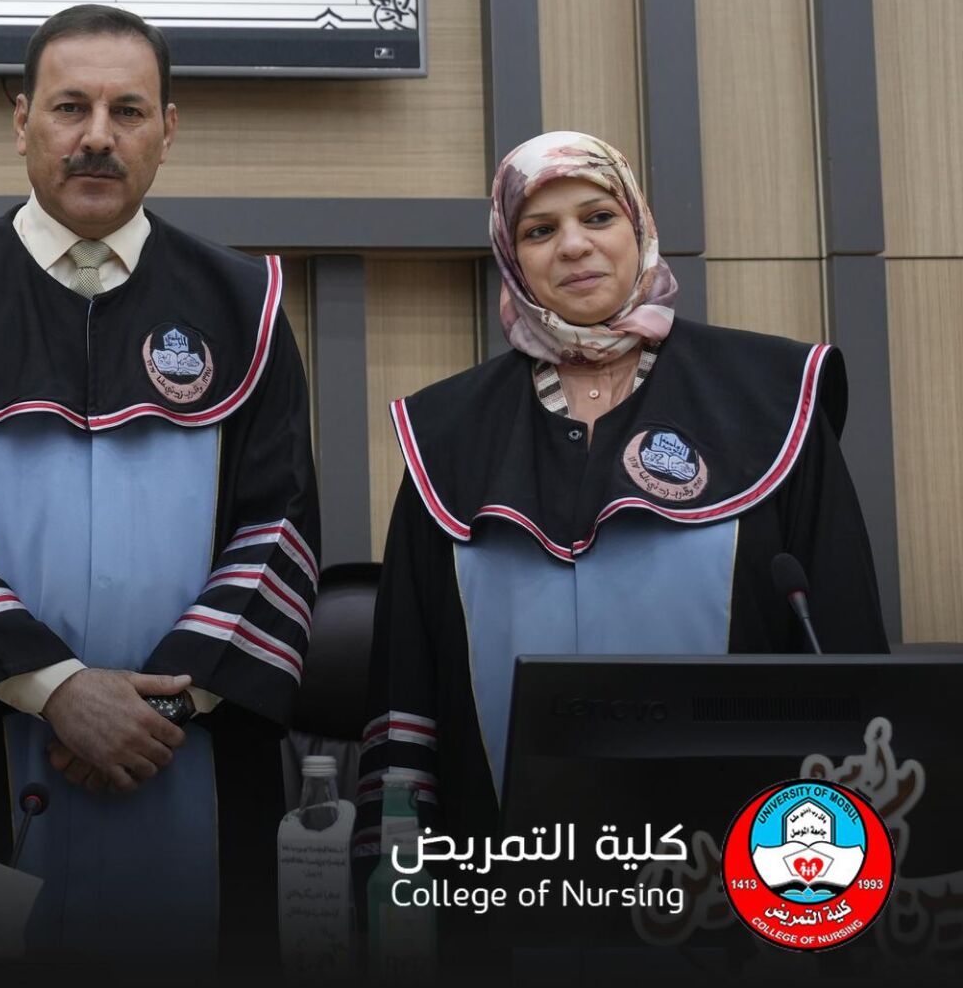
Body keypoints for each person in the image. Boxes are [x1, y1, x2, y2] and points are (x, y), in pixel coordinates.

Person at [0, 5, 319, 961]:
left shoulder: (246, 303)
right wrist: (60, 691)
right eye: (71, 107)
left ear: (168, 129)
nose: (98, 136)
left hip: (188, 750)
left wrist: (156, 710)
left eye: (129, 110)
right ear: (21, 119)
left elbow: (278, 530)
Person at [357, 131, 887, 867]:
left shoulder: (771, 397)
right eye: (539, 230)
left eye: (598, 217)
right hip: (507, 879)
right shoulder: (446, 432)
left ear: (639, 227)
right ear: (511, 257)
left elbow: (842, 636)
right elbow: (408, 675)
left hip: (739, 876)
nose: (573, 245)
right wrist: (399, 876)